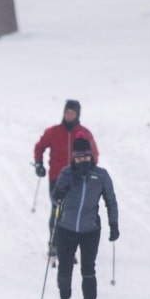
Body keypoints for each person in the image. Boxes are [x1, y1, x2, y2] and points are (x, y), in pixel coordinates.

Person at [51, 138, 118, 299]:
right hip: (66, 228)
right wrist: (59, 194)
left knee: (88, 271)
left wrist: (114, 224)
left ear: (92, 156)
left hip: (90, 230)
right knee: (65, 268)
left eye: (86, 156)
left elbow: (111, 201)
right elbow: (55, 198)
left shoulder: (101, 176)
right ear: (74, 158)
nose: (83, 161)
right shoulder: (67, 173)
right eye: (79, 158)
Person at [32, 99, 100, 260]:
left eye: (72, 113)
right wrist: (39, 164)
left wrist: (91, 170)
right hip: (57, 177)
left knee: (73, 212)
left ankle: (69, 247)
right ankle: (54, 244)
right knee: (57, 209)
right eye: (67, 112)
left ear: (77, 115)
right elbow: (40, 146)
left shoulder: (84, 133)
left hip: (77, 179)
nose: (69, 116)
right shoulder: (53, 132)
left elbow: (94, 154)